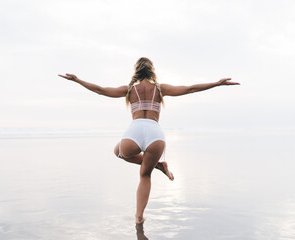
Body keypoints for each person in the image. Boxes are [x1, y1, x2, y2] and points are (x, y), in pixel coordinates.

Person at [58, 57, 240, 225]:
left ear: (136, 71)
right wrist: (216, 84)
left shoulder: (129, 89)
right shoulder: (161, 89)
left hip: (135, 130)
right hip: (155, 134)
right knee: (145, 175)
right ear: (152, 71)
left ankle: (158, 167)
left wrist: (78, 80)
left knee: (119, 152)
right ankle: (139, 215)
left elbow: (101, 90)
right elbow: (190, 88)